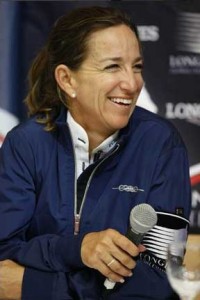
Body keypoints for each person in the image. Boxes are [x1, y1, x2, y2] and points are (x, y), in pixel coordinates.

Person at [0, 6, 191, 300]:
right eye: (113, 67)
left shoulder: (161, 144)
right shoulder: (25, 144)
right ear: (67, 79)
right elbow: (4, 258)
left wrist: (35, 286)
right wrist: (79, 249)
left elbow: (159, 280)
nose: (132, 83)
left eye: (137, 66)